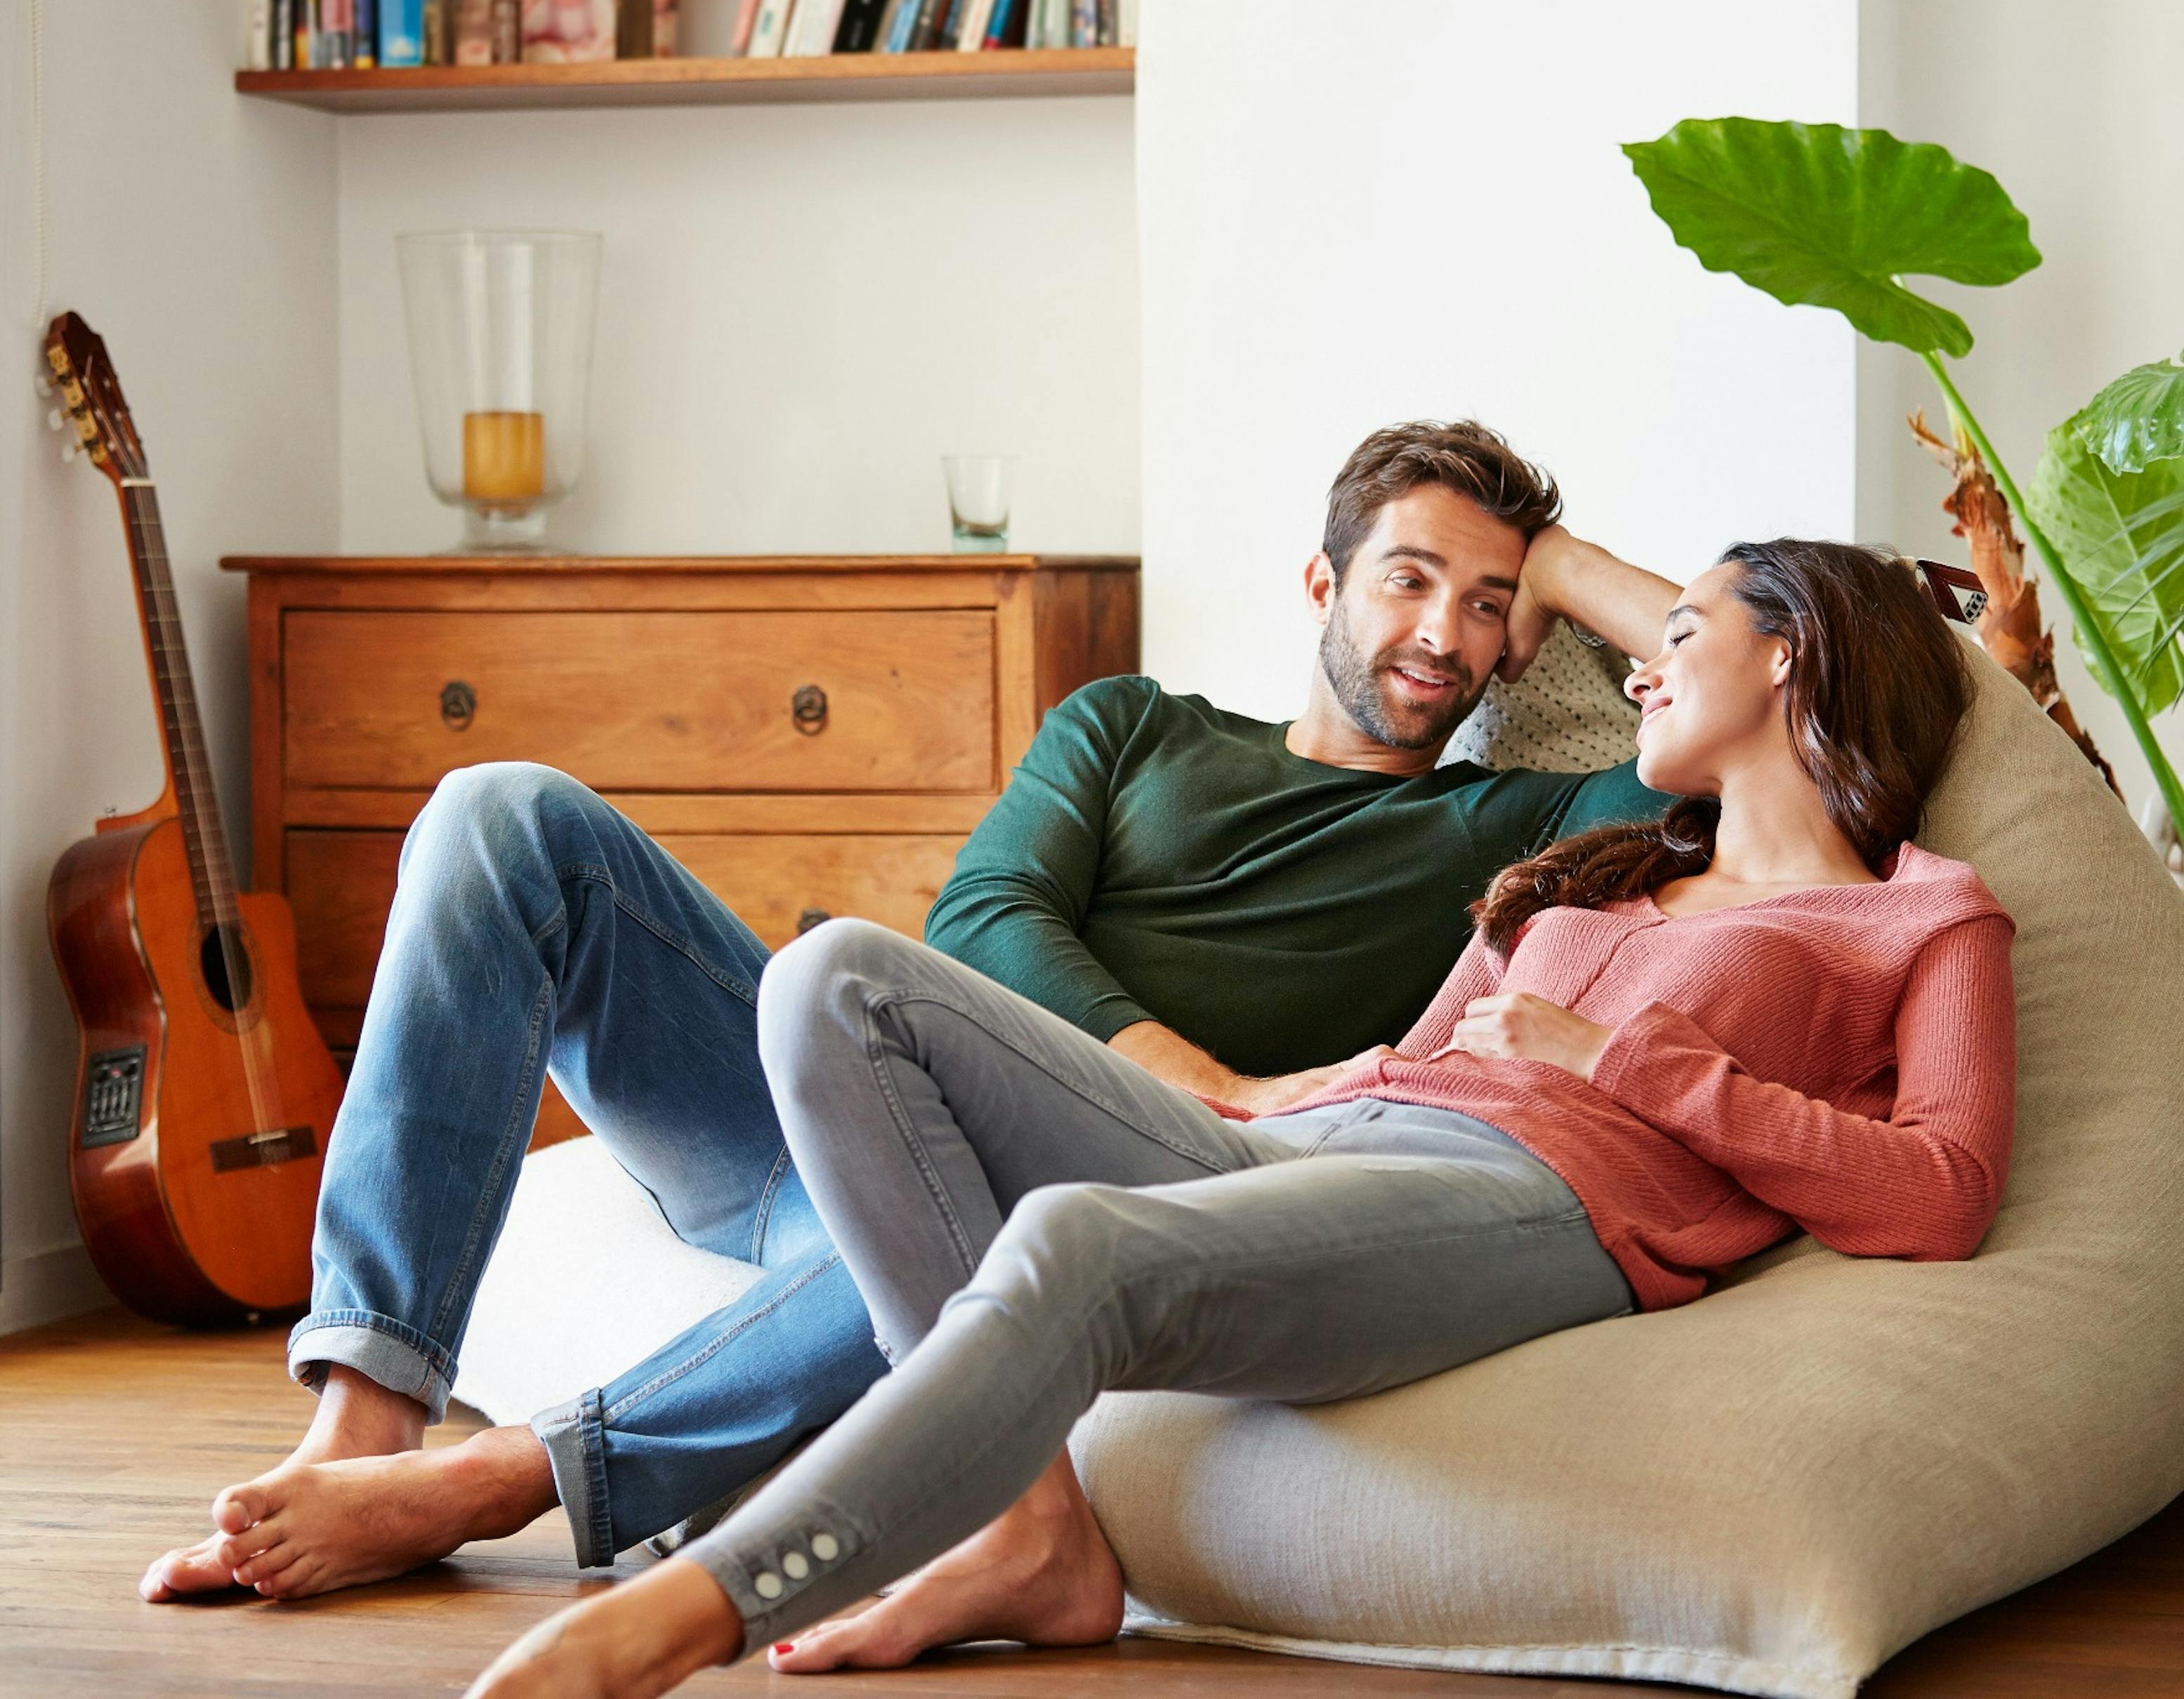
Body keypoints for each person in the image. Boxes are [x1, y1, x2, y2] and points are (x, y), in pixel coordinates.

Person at [143, 421, 1680, 1617]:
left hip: (1030, 1190)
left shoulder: (1514, 824)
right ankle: (363, 1413)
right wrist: (1211, 1076)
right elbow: (983, 923)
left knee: (1026, 1209)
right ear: (1322, 582)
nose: (1443, 631)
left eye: (1489, 608)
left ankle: (505, 1477)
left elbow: (1748, 713)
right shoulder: (1133, 723)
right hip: (816, 1107)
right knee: (500, 812)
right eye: (1411, 574)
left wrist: (1563, 559)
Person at [456, 537, 2020, 1698]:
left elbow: (1944, 1189)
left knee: (1075, 1241)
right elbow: (1399, 1065)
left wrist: (1636, 1061)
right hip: (1327, 1149)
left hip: (1538, 1200)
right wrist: (1231, 1098)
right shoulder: (1597, 866)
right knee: (834, 980)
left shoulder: (1924, 915)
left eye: (1684, 634)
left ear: (1796, 656)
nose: (1639, 666)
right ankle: (1032, 1525)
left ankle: (685, 1615)